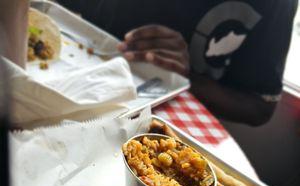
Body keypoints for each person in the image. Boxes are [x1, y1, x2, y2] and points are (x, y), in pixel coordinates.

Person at [58, 0, 298, 126]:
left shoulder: (275, 4)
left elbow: (260, 107)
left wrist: (185, 77)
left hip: (164, 127)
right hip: (64, 80)